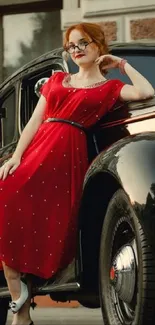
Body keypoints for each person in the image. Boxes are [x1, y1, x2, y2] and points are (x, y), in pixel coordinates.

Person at [0, 22, 154, 325]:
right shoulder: (58, 79)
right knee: (7, 200)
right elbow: (34, 122)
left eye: (83, 43)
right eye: (71, 46)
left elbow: (148, 91)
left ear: (97, 45)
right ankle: (20, 308)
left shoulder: (110, 88)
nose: (76, 50)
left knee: (54, 224)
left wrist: (121, 64)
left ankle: (25, 307)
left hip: (68, 157)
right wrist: (16, 157)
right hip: (37, 151)